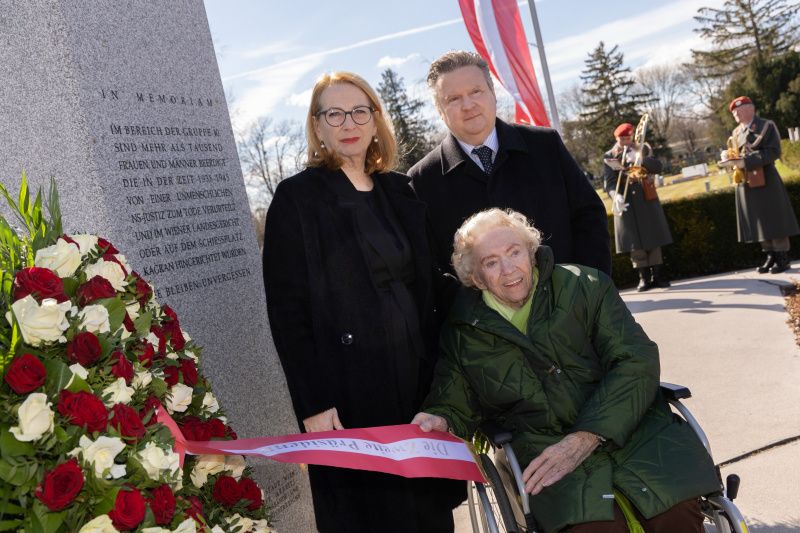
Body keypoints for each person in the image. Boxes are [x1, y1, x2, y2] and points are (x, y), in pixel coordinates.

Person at [412, 208, 721, 533]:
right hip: (544, 449)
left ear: (531, 252)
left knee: (675, 510)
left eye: (514, 252)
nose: (508, 269)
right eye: (491, 262)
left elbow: (635, 359)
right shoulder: (463, 332)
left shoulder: (586, 286)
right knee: (595, 528)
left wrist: (588, 435)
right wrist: (441, 418)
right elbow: (453, 397)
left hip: (633, 427)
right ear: (476, 278)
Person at [262, 71, 463, 533]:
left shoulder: (401, 189)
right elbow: (287, 313)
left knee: (430, 516)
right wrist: (312, 403)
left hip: (418, 382)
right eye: (334, 114)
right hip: (348, 393)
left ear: (375, 121)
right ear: (317, 126)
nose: (348, 123)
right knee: (374, 518)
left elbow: (433, 282)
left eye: (359, 111)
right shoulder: (297, 198)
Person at [408, 50, 611, 277]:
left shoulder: (545, 144)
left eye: (476, 91)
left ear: (493, 93)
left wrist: (589, 288)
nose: (468, 105)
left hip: (569, 296)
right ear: (440, 111)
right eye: (453, 99)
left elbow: (589, 217)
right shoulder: (421, 181)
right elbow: (432, 267)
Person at [721, 96, 798, 274]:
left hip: (766, 179)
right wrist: (729, 157)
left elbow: (774, 151)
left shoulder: (765, 126)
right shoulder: (736, 133)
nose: (735, 114)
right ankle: (769, 254)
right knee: (759, 219)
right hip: (747, 180)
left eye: (739, 110)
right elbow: (738, 153)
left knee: (774, 217)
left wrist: (746, 161)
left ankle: (782, 256)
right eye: (734, 112)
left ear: (751, 109)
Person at [603, 123, 673, 291]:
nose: (625, 142)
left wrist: (641, 159)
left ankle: (657, 275)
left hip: (645, 197)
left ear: (632, 137)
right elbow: (609, 183)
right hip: (626, 199)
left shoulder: (643, 148)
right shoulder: (610, 155)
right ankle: (643, 277)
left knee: (653, 235)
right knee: (633, 240)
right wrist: (615, 196)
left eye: (628, 138)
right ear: (616, 139)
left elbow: (657, 167)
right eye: (622, 139)